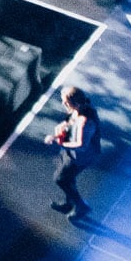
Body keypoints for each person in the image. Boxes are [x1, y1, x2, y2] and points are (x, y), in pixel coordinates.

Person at [48, 84, 98, 218]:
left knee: (60, 179)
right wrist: (63, 126)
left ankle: (81, 206)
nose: (63, 104)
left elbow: (81, 146)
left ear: (75, 103)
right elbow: (71, 120)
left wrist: (61, 143)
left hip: (81, 157)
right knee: (66, 176)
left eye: (66, 102)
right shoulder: (78, 109)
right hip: (71, 152)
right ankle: (69, 201)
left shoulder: (85, 122)